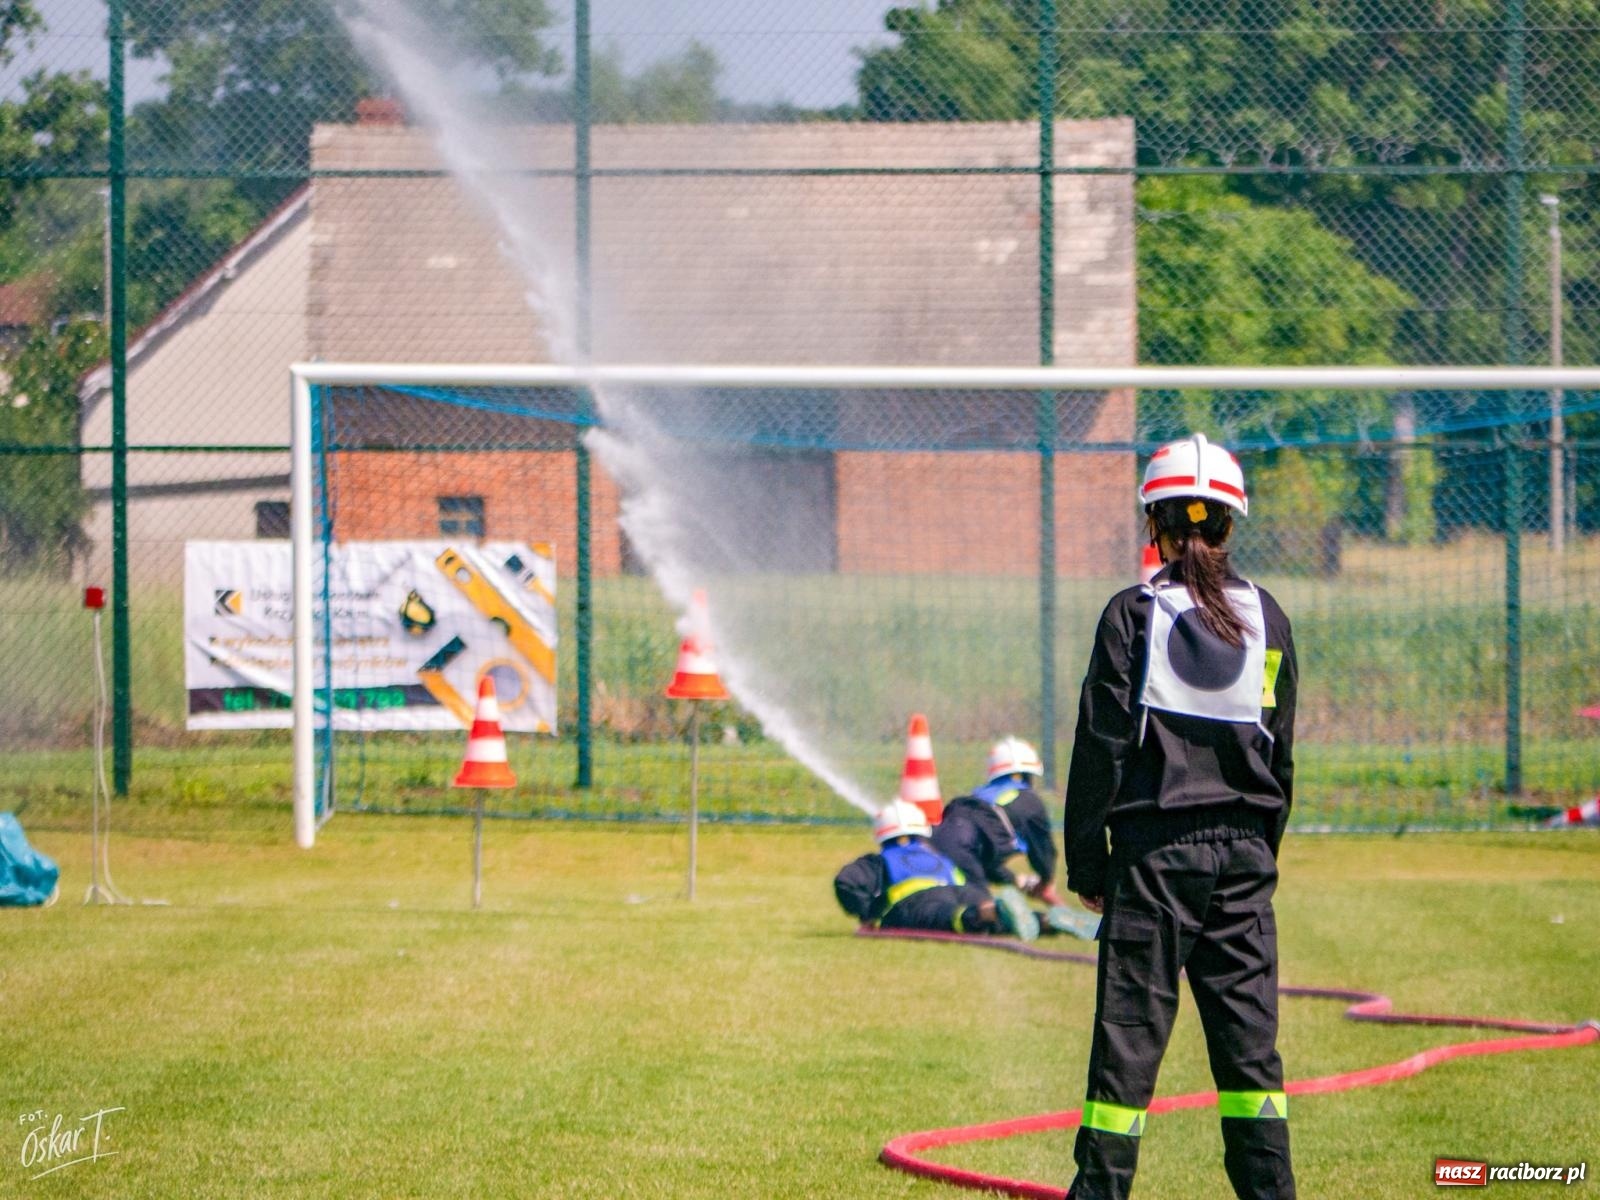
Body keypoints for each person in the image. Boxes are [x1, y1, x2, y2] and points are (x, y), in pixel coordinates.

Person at [1062, 433, 1298, 1200]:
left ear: (1153, 525)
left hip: (1153, 862)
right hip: (1242, 866)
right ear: (1231, 525)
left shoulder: (1132, 615)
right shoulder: (1270, 620)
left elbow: (1099, 747)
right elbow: (1279, 754)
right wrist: (1258, 854)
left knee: (1125, 1056)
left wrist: (1088, 863)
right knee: (1251, 1061)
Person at [834, 800, 1039, 940]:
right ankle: (1045, 920)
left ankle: (992, 911)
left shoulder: (879, 861)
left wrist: (867, 913)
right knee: (996, 924)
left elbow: (847, 881)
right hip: (963, 890)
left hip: (919, 901)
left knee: (952, 918)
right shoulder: (939, 856)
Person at [933, 736, 1059, 901]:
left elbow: (980, 856)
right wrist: (1046, 881)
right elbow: (1043, 850)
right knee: (982, 912)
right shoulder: (1030, 801)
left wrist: (1016, 881)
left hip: (933, 843)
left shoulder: (979, 795)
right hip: (964, 849)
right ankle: (1041, 921)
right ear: (1029, 775)